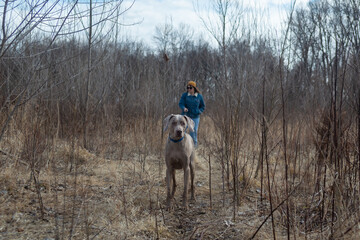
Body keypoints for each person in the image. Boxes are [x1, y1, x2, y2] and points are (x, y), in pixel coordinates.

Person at [178, 81, 205, 147]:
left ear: (194, 88)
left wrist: (199, 111)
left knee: (193, 131)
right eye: (188, 87)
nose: (189, 89)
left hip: (195, 117)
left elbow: (203, 106)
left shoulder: (199, 96)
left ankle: (194, 147)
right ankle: (182, 145)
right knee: (183, 131)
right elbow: (180, 103)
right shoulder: (185, 95)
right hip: (185, 116)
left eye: (190, 88)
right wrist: (184, 108)